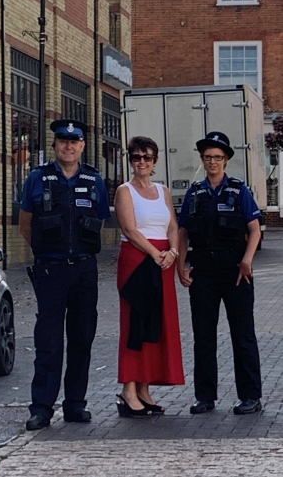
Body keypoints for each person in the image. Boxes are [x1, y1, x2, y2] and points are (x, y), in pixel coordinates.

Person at [19, 119, 111, 430]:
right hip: (51, 270)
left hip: (84, 270)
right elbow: (26, 224)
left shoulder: (94, 180)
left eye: (74, 141)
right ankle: (42, 408)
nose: (68, 146)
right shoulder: (38, 178)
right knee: (48, 341)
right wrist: (46, 255)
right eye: (62, 141)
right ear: (55, 144)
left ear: (83, 145)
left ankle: (75, 404)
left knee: (82, 338)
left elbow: (98, 222)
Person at [177, 131, 262, 415]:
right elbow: (183, 231)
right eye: (207, 157)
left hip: (235, 271)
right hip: (203, 271)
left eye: (217, 157)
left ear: (225, 160)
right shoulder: (195, 192)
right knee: (203, 336)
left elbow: (254, 229)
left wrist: (247, 260)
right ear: (202, 160)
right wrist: (181, 266)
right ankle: (205, 397)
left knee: (243, 334)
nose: (212, 162)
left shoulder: (239, 191)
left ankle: (250, 395)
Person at [114, 136, 184, 418]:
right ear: (130, 160)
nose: (141, 162)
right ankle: (128, 391)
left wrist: (174, 252)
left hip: (163, 263)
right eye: (136, 157)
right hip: (137, 262)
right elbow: (130, 229)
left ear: (155, 161)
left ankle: (144, 389)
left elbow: (173, 225)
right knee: (136, 325)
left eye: (147, 157)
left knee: (157, 324)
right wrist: (156, 255)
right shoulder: (124, 191)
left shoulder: (163, 191)